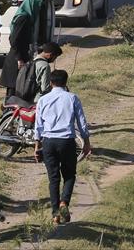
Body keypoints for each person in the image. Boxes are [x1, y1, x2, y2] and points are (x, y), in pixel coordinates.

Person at [34, 69, 92, 225]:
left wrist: (37, 145)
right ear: (66, 82)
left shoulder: (43, 100)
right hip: (67, 141)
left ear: (51, 83)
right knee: (69, 175)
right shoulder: (72, 98)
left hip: (49, 142)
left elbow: (38, 126)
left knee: (53, 179)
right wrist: (86, 143)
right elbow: (81, 122)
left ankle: (55, 214)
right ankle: (64, 202)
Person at [0, 0, 50, 90]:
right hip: (16, 59)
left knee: (19, 88)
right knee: (14, 90)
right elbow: (14, 39)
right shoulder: (23, 19)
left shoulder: (28, 18)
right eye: (39, 7)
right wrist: (19, 59)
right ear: (33, 6)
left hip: (21, 56)